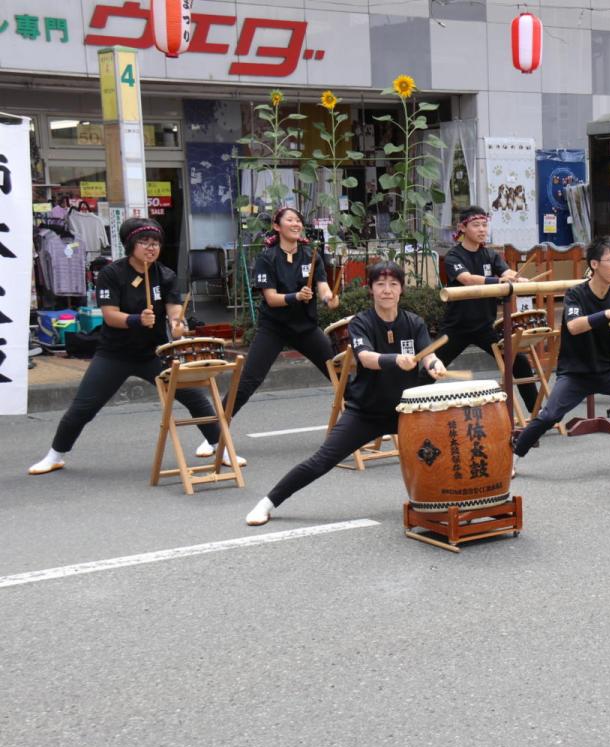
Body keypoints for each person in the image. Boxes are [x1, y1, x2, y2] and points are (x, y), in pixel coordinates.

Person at [28, 218, 240, 475]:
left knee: (195, 397)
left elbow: (174, 310)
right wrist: (136, 319)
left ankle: (222, 449)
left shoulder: (165, 275)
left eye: (156, 243)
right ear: (131, 245)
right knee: (84, 406)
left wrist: (178, 323)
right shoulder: (111, 274)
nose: (151, 248)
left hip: (155, 352)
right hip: (114, 353)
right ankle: (55, 455)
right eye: (144, 242)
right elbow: (109, 315)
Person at [245, 262, 447, 525]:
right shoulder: (362, 322)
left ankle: (447, 504)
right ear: (371, 289)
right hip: (366, 412)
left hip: (406, 411)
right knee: (321, 461)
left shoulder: (414, 323)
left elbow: (427, 354)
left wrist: (434, 364)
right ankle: (268, 502)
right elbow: (365, 357)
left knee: (443, 451)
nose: (387, 290)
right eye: (381, 285)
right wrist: (395, 359)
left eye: (393, 285)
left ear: (401, 290)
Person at [511, 237, 610, 471]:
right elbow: (574, 326)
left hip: (607, 371)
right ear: (594, 264)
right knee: (549, 415)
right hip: (575, 374)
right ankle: (512, 457)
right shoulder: (576, 294)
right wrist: (605, 315)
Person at [218, 208, 340, 441]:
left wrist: (328, 298)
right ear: (277, 226)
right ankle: (214, 433)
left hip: (305, 327)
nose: (296, 224)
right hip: (273, 328)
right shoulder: (267, 258)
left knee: (338, 372)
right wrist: (296, 296)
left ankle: (364, 422)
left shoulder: (311, 255)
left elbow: (322, 285)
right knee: (249, 380)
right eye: (290, 220)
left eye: (298, 220)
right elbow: (271, 298)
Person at [439, 206, 538, 412]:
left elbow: (506, 271)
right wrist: (498, 280)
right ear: (462, 228)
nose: (482, 229)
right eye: (476, 225)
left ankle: (538, 414)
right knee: (431, 367)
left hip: (485, 327)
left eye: (485, 225)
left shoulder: (490, 255)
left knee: (518, 361)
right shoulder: (453, 256)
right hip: (457, 327)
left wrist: (518, 278)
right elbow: (467, 279)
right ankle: (404, 414)